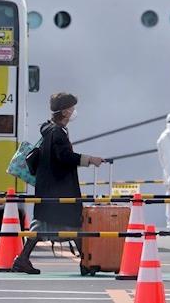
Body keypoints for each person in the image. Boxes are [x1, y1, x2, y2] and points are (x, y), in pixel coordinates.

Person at [11, 92, 106, 275]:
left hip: (51, 186)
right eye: (71, 108)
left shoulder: (50, 129)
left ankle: (23, 259)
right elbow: (64, 157)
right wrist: (89, 159)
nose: (73, 111)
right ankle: (84, 263)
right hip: (59, 188)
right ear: (64, 112)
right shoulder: (58, 133)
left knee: (49, 225)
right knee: (73, 223)